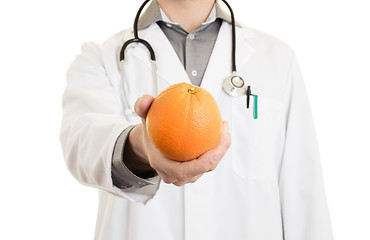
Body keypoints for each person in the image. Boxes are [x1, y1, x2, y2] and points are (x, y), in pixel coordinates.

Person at [60, 0, 334, 239]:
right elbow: (82, 144)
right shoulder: (101, 59)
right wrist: (142, 146)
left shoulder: (277, 59)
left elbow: (303, 194)